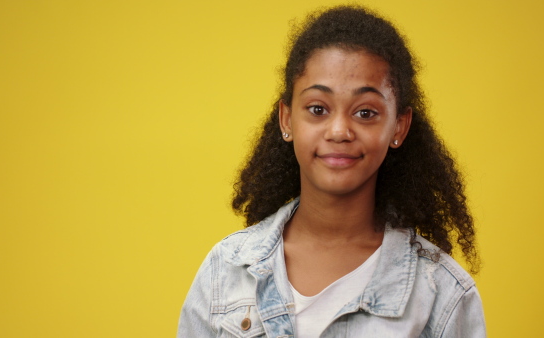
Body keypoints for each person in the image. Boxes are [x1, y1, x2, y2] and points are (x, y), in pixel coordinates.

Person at [178, 5, 485, 337]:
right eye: (317, 109)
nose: (339, 131)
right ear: (286, 119)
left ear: (399, 126)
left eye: (366, 113)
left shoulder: (443, 295)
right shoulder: (225, 270)